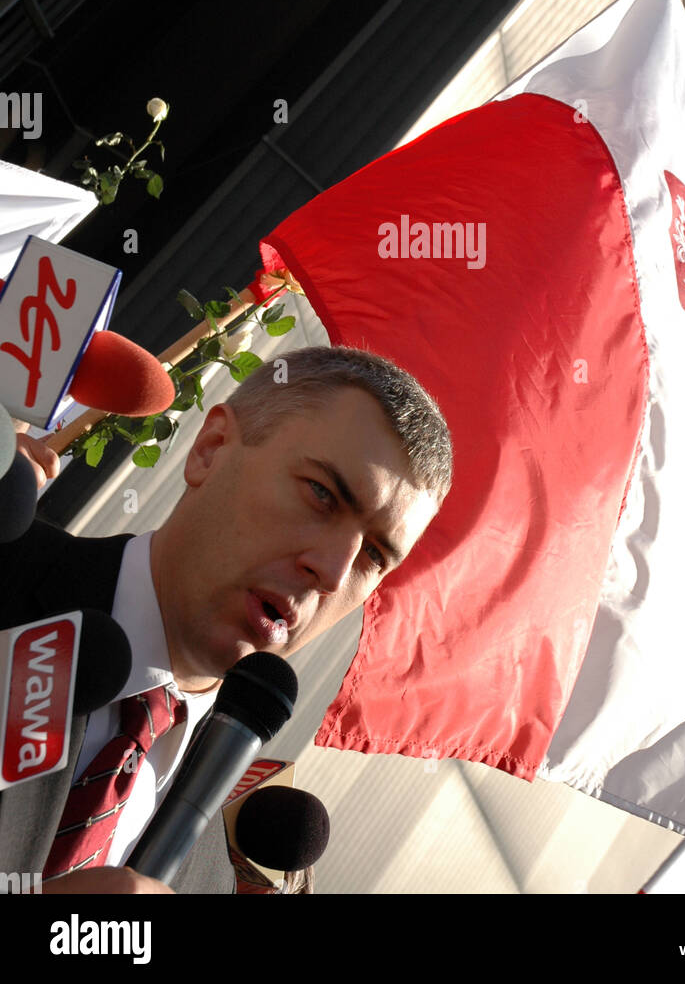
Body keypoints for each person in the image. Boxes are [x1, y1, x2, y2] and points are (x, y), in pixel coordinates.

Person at [0, 346, 452, 894]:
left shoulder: (208, 879)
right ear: (211, 449)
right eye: (321, 494)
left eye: (374, 556)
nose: (332, 573)